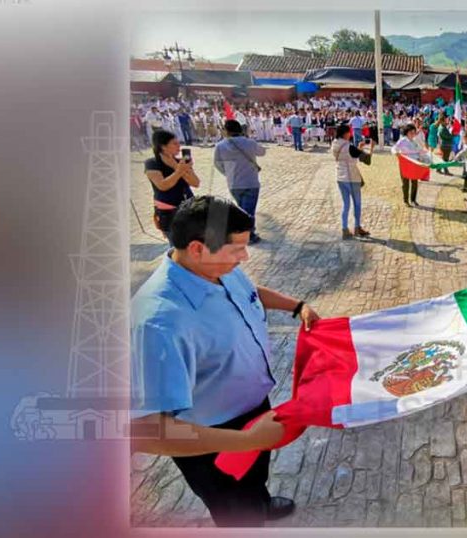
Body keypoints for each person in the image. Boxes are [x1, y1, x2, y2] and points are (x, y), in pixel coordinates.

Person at [130, 195, 320, 527]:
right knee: (236, 510)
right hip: (213, 439)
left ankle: (260, 501)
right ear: (197, 248)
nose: (244, 257)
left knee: (255, 479)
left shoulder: (216, 270)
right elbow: (146, 430)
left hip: (253, 411)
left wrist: (296, 305)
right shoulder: (158, 321)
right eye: (236, 249)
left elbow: (249, 291)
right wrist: (246, 441)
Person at [215, 120, 267, 244]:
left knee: (242, 209)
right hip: (250, 181)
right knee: (248, 211)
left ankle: (244, 233)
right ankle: (248, 235)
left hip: (233, 182)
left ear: (226, 131)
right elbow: (262, 152)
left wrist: (227, 173)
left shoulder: (220, 146)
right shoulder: (249, 142)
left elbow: (217, 164)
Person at [144, 130, 200, 241]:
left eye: (178, 142)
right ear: (163, 147)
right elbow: (163, 185)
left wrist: (185, 170)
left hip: (188, 207)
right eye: (174, 143)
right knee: (178, 246)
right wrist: (178, 171)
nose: (179, 146)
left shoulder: (181, 161)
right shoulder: (152, 163)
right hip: (169, 212)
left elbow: (195, 183)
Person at [331, 124, 373, 239]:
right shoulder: (348, 146)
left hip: (340, 177)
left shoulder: (334, 143)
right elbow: (366, 159)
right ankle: (357, 227)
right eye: (349, 132)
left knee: (345, 205)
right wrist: (371, 148)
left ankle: (345, 229)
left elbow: (350, 156)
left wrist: (359, 147)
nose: (350, 134)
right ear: (345, 133)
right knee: (357, 204)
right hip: (351, 178)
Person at [391, 124, 431, 207]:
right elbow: (394, 148)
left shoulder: (415, 141)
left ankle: (413, 200)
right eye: (411, 132)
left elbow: (420, 150)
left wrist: (426, 155)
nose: (412, 134)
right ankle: (406, 200)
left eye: (414, 132)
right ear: (407, 132)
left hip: (415, 163)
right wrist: (396, 153)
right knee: (405, 183)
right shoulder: (402, 140)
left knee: (414, 182)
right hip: (405, 163)